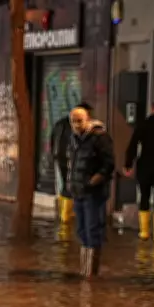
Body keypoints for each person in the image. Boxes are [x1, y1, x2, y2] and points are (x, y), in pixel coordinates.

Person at [67, 107, 115, 278]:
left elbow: (108, 164)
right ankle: (85, 269)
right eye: (73, 121)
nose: (76, 124)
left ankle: (91, 273)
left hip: (94, 193)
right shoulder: (74, 139)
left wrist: (95, 180)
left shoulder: (99, 137)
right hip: (79, 190)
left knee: (93, 228)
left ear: (88, 119)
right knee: (81, 229)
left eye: (80, 120)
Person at [123, 99, 154, 243]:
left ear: (152, 108)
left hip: (145, 166)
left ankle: (144, 232)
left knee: (144, 197)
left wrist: (128, 164)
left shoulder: (143, 125)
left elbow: (133, 145)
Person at [52, 102, 93, 225]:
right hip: (71, 157)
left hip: (59, 156)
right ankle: (65, 216)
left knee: (64, 182)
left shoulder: (60, 122)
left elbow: (52, 139)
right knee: (69, 184)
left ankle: (63, 212)